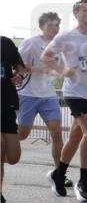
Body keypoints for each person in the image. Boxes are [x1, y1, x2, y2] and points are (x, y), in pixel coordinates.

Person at [42, 0, 87, 203]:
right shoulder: (66, 37)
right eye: (85, 10)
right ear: (76, 13)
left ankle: (58, 174)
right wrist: (62, 71)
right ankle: (83, 181)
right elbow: (46, 56)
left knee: (75, 137)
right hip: (74, 92)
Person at [17, 12, 73, 190]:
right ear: (42, 27)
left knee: (56, 132)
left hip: (48, 95)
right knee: (22, 134)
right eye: (51, 25)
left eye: (57, 25)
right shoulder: (30, 43)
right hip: (27, 94)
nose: (55, 29)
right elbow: (19, 67)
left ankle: (59, 174)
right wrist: (42, 69)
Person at [1, 36, 27, 203]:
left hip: (6, 105)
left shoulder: (5, 43)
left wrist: (19, 74)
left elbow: (20, 66)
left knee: (13, 157)